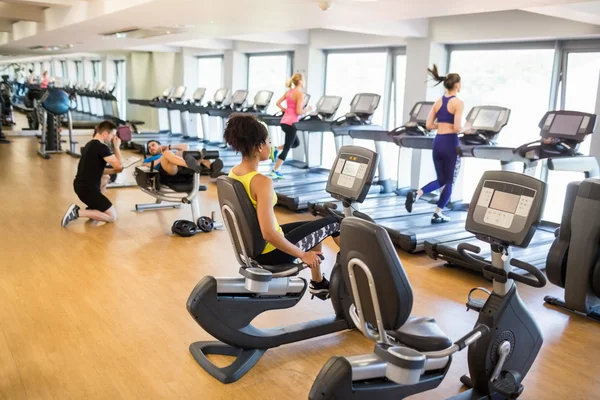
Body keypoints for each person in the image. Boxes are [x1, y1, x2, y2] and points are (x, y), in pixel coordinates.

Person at [225, 113, 340, 299]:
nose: (270, 146)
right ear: (260, 146)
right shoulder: (261, 182)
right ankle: (356, 276)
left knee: (313, 227)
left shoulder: (234, 172)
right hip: (271, 252)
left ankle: (318, 283)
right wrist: (303, 255)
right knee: (336, 223)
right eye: (269, 142)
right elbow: (268, 233)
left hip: (256, 247)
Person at [405, 64, 465, 224]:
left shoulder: (438, 102)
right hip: (451, 143)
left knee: (441, 179)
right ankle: (438, 212)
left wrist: (443, 124)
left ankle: (418, 193)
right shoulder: (458, 103)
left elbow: (429, 125)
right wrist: (468, 128)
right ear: (457, 85)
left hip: (438, 143)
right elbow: (458, 128)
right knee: (449, 180)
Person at [61, 120, 123, 227]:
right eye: (112, 135)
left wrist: (113, 171)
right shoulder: (102, 147)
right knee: (112, 217)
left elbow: (97, 169)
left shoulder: (89, 145)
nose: (113, 138)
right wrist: (117, 147)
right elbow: (119, 166)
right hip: (88, 190)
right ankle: (76, 212)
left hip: (81, 186)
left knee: (106, 177)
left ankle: (93, 208)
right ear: (105, 134)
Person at [269, 72, 311, 179]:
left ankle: (275, 149)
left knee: (296, 143)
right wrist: (307, 110)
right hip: (292, 123)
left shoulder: (289, 92)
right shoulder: (299, 94)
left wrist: (284, 109)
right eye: (304, 80)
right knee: (287, 147)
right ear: (300, 82)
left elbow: (277, 103)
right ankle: (275, 170)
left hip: (284, 122)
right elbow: (298, 111)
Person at [142, 141, 224, 182]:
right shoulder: (148, 159)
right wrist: (164, 156)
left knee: (197, 153)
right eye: (149, 148)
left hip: (179, 165)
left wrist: (169, 147)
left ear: (160, 145)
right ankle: (192, 164)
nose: (151, 148)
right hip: (167, 171)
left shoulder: (171, 154)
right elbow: (147, 165)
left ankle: (212, 169)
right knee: (168, 154)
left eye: (153, 145)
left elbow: (185, 146)